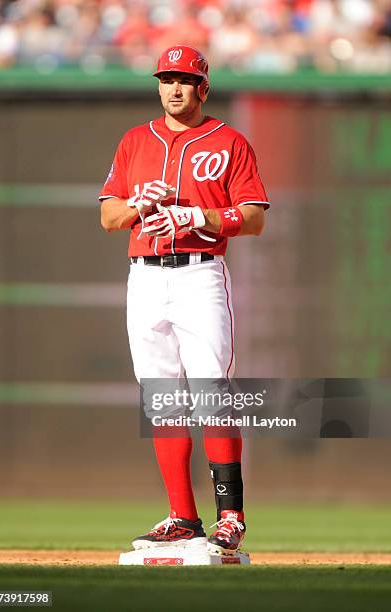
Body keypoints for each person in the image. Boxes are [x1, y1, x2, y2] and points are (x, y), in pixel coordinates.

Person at [99, 45, 269, 555]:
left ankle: (231, 516)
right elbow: (109, 218)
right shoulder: (135, 140)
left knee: (212, 391)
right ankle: (183, 516)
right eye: (166, 79)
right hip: (145, 276)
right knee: (161, 398)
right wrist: (136, 204)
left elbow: (255, 217)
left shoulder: (229, 141)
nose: (174, 88)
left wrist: (200, 217)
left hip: (198, 275)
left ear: (204, 88)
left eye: (184, 80)